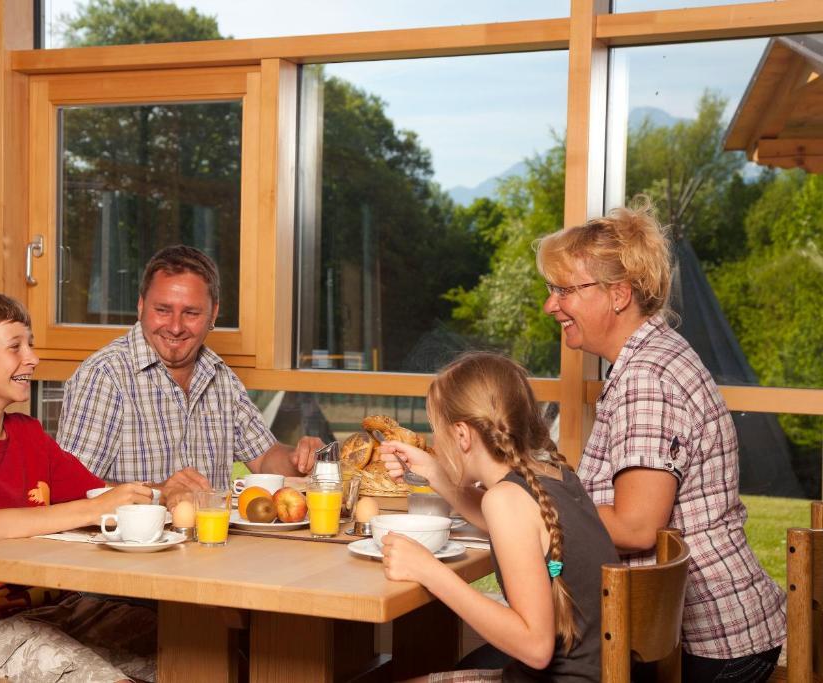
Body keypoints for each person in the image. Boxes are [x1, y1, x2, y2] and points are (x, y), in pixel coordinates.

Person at [534, 200, 785, 681]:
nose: (551, 305)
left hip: (713, 649)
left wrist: (533, 516)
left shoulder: (647, 377)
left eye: (565, 289)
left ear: (619, 294)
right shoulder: (650, 356)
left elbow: (633, 527)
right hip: (708, 635)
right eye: (552, 289)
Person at [0, 292, 158, 682]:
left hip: (60, 609)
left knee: (194, 648)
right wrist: (97, 508)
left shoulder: (28, 434)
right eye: (15, 347)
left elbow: (99, 495)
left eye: (31, 344)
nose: (32, 357)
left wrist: (161, 494)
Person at [380, 352, 618, 682]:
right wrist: (434, 472)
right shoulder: (555, 476)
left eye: (437, 430)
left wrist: (428, 570)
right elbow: (509, 523)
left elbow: (536, 647)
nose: (436, 441)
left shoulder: (506, 501)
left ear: (462, 435)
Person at [57, 244, 323, 503]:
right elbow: (68, 486)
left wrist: (297, 459)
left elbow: (265, 457)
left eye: (191, 313)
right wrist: (160, 493)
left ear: (213, 313)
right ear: (141, 306)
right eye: (162, 310)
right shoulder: (105, 376)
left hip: (212, 542)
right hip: (131, 546)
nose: (175, 327)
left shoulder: (221, 379)